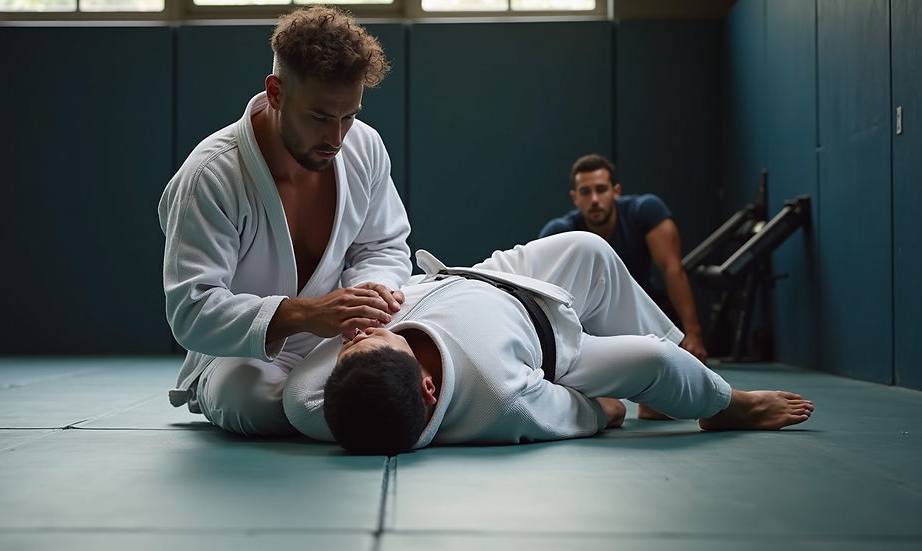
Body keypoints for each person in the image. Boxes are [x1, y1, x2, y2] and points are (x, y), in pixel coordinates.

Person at [283, 233, 813, 455]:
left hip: (483, 276)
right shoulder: (500, 398)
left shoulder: (326, 405)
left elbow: (302, 391)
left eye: (352, 345)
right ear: (428, 388)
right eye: (377, 339)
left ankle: (662, 402)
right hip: (552, 346)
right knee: (655, 359)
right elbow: (580, 412)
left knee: (590, 249)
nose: (361, 332)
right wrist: (604, 412)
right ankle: (726, 404)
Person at [158, 5, 412, 437]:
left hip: (343, 336)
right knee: (249, 399)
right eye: (319, 117)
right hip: (246, 354)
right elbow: (193, 311)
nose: (336, 137)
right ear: (276, 92)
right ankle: (386, 411)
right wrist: (304, 313)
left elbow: (382, 246)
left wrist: (369, 295)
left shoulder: (365, 146)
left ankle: (371, 406)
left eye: (349, 116)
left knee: (432, 344)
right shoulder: (211, 175)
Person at [539, 154, 707, 363]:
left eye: (601, 189)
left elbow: (672, 269)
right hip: (587, 332)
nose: (594, 199)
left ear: (616, 191)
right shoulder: (559, 232)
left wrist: (693, 335)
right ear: (575, 198)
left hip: (642, 320)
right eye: (585, 192)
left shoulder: (644, 210)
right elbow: (541, 295)